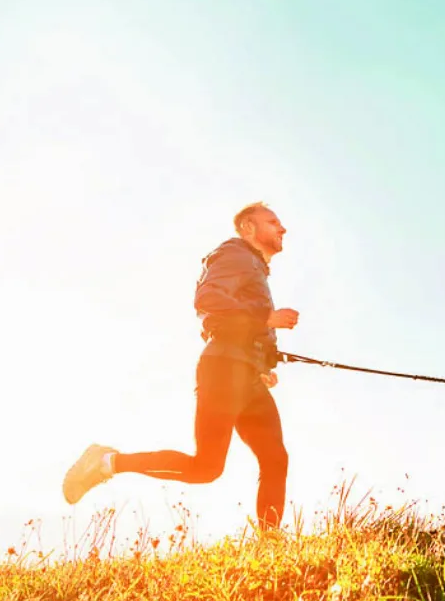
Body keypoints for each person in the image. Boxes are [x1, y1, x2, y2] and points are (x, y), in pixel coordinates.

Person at [62, 202, 300, 532]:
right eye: (272, 222)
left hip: (245, 374)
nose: (282, 228)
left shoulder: (253, 268)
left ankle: (271, 543)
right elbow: (208, 301)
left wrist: (262, 363)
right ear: (248, 228)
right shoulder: (235, 255)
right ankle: (106, 462)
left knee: (275, 459)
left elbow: (237, 325)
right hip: (223, 370)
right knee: (206, 468)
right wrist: (265, 318)